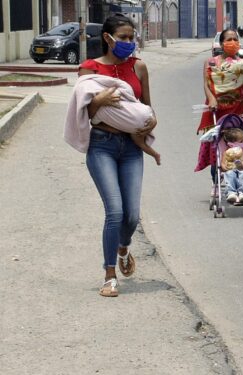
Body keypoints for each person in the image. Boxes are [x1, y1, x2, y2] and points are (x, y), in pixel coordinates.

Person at [76, 14, 157, 297]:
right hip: (102, 146)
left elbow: (147, 106)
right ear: (108, 38)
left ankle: (123, 248)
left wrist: (152, 122)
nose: (128, 42)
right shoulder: (90, 68)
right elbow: (82, 110)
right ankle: (109, 275)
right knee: (115, 211)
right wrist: (99, 100)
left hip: (132, 148)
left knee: (132, 216)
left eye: (131, 37)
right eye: (122, 37)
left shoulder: (140, 67)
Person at [195, 28, 243, 192]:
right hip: (216, 108)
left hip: (239, 107)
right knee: (216, 147)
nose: (232, 43)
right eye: (228, 39)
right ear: (221, 43)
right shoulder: (211, 62)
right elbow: (207, 84)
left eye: (235, 39)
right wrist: (212, 98)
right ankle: (216, 180)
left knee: (242, 142)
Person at [68, 73, 161, 165]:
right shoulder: (108, 93)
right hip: (143, 114)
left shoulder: (99, 112)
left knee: (140, 142)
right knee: (140, 142)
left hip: (136, 127)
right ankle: (155, 154)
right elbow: (122, 91)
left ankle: (155, 155)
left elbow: (93, 121)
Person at [220, 128, 243, 205]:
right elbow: (223, 163)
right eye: (241, 141)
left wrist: (242, 164)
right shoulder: (226, 152)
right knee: (229, 174)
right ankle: (231, 193)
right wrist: (225, 168)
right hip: (230, 169)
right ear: (232, 143)